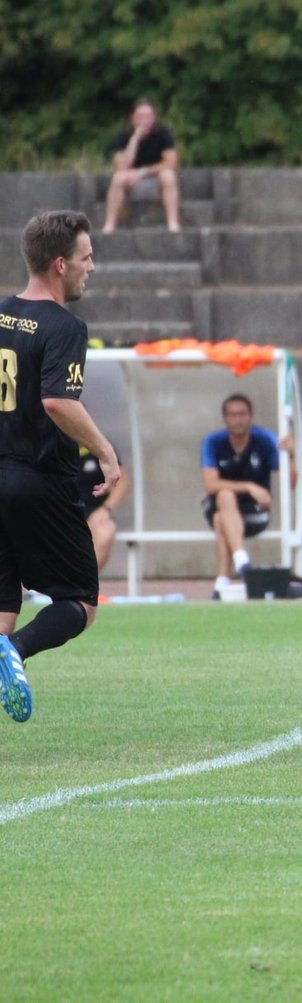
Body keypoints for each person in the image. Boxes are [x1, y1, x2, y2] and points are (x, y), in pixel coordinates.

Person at [0, 211, 123, 723]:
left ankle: (5, 648)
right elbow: (58, 402)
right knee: (81, 601)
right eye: (85, 258)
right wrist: (106, 451)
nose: (91, 267)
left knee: (3, 604)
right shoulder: (65, 326)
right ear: (59, 264)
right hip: (40, 480)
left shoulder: (1, 315)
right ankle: (15, 652)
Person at [202, 393, 294, 598]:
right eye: (233, 415)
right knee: (224, 497)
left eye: (242, 414)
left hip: (255, 513)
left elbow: (291, 483)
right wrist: (250, 487)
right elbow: (210, 485)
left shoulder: (264, 439)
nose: (238, 419)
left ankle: (222, 581)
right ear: (225, 418)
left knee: (220, 519)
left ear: (251, 416)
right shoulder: (214, 441)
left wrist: (290, 456)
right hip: (221, 505)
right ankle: (242, 562)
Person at [102, 98, 181, 233]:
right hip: (130, 178)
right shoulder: (124, 136)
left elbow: (171, 163)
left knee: (169, 176)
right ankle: (110, 224)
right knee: (118, 178)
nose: (145, 121)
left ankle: (173, 223)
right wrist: (135, 139)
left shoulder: (163, 134)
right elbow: (122, 166)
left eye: (149, 116)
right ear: (132, 118)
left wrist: (142, 172)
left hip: (155, 176)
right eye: (140, 116)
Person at [79, 442, 130, 573]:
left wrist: (105, 509)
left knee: (105, 532)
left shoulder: (99, 443)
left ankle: (85, 579)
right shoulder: (52, 444)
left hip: (94, 512)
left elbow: (122, 482)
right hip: (62, 510)